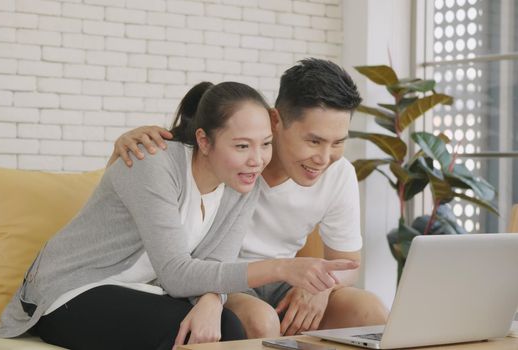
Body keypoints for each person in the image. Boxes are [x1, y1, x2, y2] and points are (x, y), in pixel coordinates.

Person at [0, 81, 359, 349]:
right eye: (242, 145)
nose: (257, 158)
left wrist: (213, 300)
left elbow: (216, 263)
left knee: (225, 325)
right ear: (205, 141)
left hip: (146, 289)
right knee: (183, 331)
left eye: (264, 146)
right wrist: (281, 268)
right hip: (72, 290)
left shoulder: (240, 181)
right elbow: (178, 274)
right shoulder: (153, 165)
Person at [109, 58, 390, 339]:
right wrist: (123, 148)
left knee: (370, 310)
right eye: (313, 141)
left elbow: (347, 263)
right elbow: (152, 186)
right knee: (261, 320)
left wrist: (320, 286)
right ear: (275, 120)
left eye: (338, 142)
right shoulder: (233, 160)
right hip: (221, 279)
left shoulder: (338, 174)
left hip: (285, 280)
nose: (324, 158)